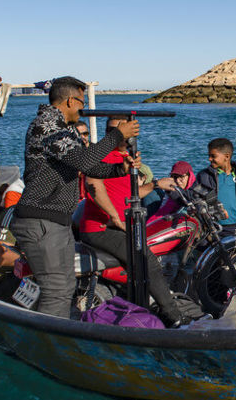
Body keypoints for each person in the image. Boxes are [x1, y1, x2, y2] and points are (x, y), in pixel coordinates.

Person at [10, 76, 141, 318]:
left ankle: (53, 335)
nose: (84, 108)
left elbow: (86, 165)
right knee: (56, 289)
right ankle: (50, 345)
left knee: (65, 286)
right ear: (71, 100)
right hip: (40, 221)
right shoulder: (47, 126)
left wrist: (119, 169)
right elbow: (82, 160)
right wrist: (115, 136)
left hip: (56, 221)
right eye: (82, 102)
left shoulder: (65, 130)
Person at [79, 117, 185, 326]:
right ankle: (175, 317)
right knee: (149, 262)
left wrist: (157, 184)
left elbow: (129, 193)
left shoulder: (124, 157)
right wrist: (115, 217)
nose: (122, 133)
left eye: (125, 129)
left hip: (118, 223)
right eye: (115, 129)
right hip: (100, 228)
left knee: (143, 260)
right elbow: (93, 186)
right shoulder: (102, 155)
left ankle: (142, 308)